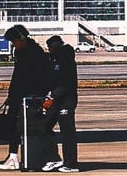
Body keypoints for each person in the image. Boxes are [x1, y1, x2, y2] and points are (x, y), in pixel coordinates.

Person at [0, 24, 51, 171]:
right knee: (15, 126)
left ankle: (16, 157)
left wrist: (35, 94)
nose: (13, 44)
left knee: (20, 127)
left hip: (28, 97)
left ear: (21, 38)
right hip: (19, 95)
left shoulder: (34, 53)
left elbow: (33, 77)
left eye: (14, 41)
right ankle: (14, 156)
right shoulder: (23, 52)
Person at [39, 35, 80, 173]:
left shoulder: (66, 59)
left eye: (50, 48)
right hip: (56, 100)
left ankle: (71, 163)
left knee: (67, 132)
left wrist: (52, 97)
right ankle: (53, 158)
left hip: (67, 101)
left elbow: (65, 83)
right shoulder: (54, 60)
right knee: (44, 127)